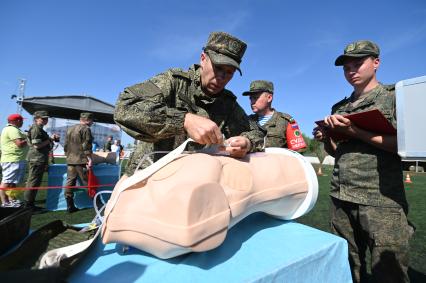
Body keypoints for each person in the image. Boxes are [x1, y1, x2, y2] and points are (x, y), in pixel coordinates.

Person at [313, 40, 413, 283]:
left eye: (358, 64)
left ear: (376, 63)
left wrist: (356, 132)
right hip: (341, 196)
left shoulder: (394, 98)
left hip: (380, 200)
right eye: (347, 67)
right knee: (347, 267)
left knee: (389, 272)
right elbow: (337, 152)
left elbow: (407, 147)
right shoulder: (340, 107)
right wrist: (327, 137)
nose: (351, 71)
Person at [115, 31, 264, 177]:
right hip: (148, 176)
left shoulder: (228, 103)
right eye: (218, 67)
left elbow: (256, 132)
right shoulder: (173, 82)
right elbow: (125, 106)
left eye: (229, 72)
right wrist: (184, 120)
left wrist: (247, 143)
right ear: (203, 59)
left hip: (189, 184)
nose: (221, 77)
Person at [242, 80, 306, 151]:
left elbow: (298, 151)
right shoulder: (246, 121)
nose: (252, 102)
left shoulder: (286, 121)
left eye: (255, 98)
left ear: (269, 98)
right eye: (250, 98)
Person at [24, 110, 59, 210]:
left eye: (46, 118)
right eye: (43, 118)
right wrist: (50, 139)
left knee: (35, 182)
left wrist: (50, 140)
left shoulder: (39, 128)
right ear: (36, 119)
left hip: (39, 158)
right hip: (36, 158)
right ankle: (28, 205)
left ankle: (30, 203)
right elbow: (37, 145)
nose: (45, 120)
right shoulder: (36, 129)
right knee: (33, 182)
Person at [63, 112, 94, 213]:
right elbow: (87, 145)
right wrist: (89, 159)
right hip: (81, 160)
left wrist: (68, 155)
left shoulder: (70, 128)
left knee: (70, 181)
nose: (92, 122)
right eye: (91, 120)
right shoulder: (86, 129)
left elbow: (65, 145)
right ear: (87, 120)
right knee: (86, 181)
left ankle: (69, 205)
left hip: (71, 159)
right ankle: (95, 202)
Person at [0, 114, 28, 207]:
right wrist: (28, 139)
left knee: (12, 182)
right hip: (12, 160)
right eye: (22, 120)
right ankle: (5, 202)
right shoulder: (13, 130)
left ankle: (11, 200)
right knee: (7, 181)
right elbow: (19, 144)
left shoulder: (11, 129)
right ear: (18, 121)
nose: (23, 122)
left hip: (14, 159)